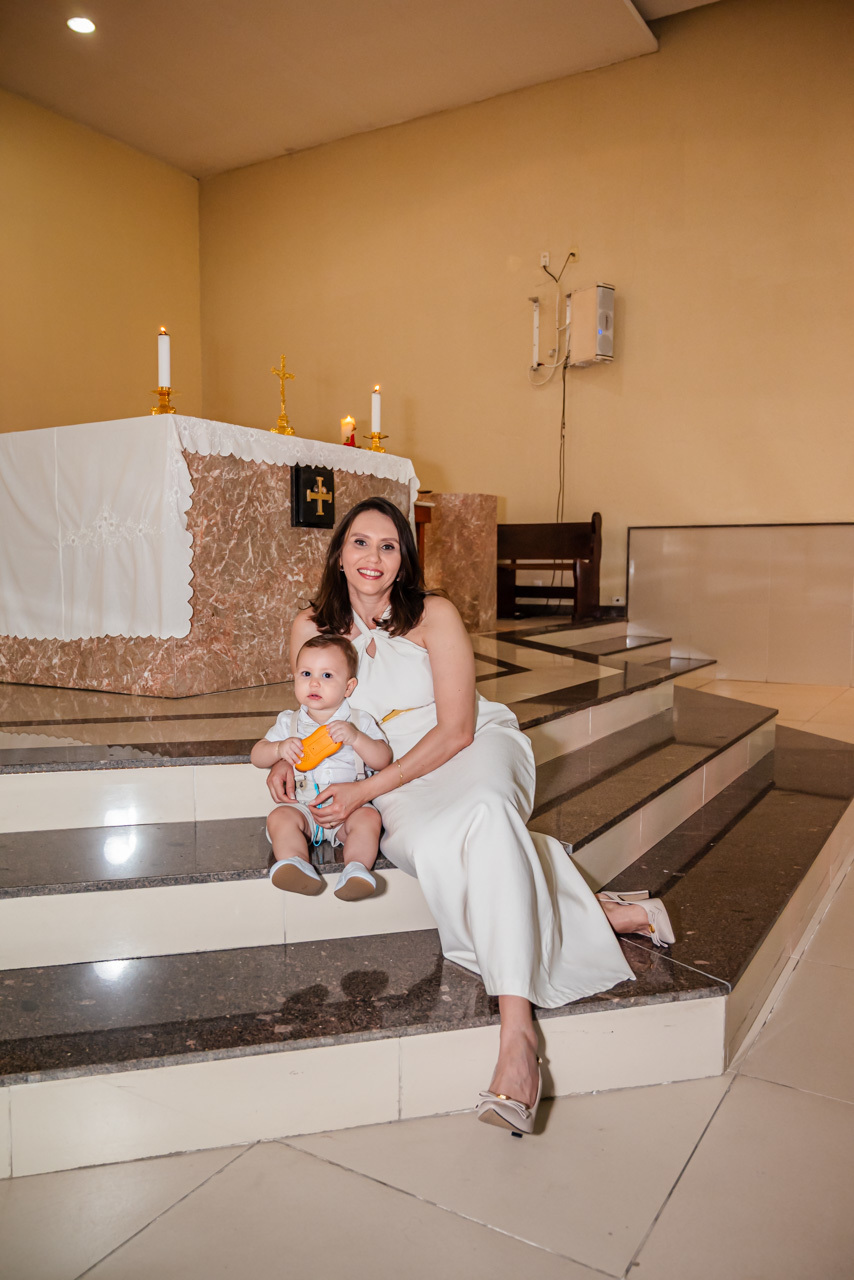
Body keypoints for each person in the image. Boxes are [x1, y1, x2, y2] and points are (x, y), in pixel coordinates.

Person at [266, 497, 673, 1135]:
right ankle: (608, 915)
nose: (373, 557)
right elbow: (307, 716)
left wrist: (368, 787)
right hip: (386, 777)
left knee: (485, 811)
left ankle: (517, 1038)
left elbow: (456, 729)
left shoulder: (434, 614)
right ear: (339, 553)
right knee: (440, 848)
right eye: (361, 543)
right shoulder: (308, 625)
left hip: (469, 748)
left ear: (404, 559)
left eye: (389, 545)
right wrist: (284, 764)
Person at [251, 634, 392, 901]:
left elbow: (382, 759)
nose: (314, 682)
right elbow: (257, 755)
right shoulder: (288, 722)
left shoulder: (359, 721)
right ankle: (296, 864)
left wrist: (356, 738)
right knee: (278, 818)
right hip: (303, 807)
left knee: (369, 819)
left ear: (348, 687)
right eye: (306, 673)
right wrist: (279, 749)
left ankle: (356, 868)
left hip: (350, 809)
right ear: (294, 677)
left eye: (327, 676)